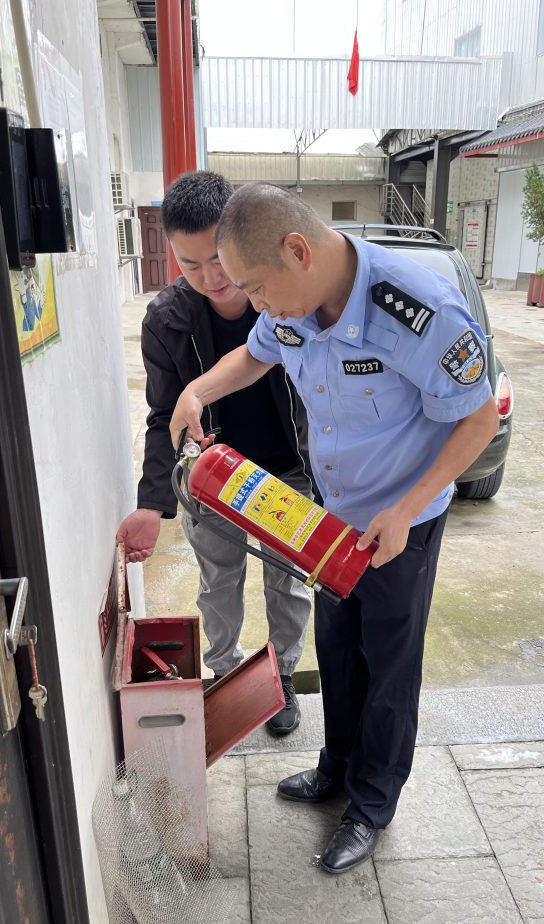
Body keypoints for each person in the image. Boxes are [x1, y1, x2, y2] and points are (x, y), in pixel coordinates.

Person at [169, 183, 499, 873]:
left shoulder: (415, 308)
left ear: (298, 250)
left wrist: (407, 508)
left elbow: (478, 416)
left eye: (257, 288)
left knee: (389, 665)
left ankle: (372, 802)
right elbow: (256, 354)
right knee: (339, 647)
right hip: (330, 516)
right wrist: (197, 391)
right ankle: (336, 767)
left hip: (400, 524)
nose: (256, 306)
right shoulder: (289, 303)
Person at [116, 172, 312, 735]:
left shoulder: (284, 299)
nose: (210, 278)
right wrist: (152, 503)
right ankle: (226, 674)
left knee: (288, 582)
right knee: (218, 584)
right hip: (211, 476)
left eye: (218, 259)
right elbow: (163, 414)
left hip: (290, 470)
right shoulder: (167, 319)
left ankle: (281, 677)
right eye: (190, 264)